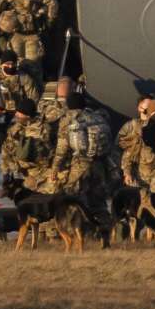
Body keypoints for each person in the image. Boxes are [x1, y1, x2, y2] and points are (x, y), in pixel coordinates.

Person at [51, 90, 115, 240]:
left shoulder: (68, 119)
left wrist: (55, 167)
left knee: (74, 200)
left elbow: (62, 147)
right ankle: (105, 235)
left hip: (80, 165)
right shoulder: (97, 118)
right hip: (99, 164)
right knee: (98, 200)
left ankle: (79, 235)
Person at [1, 98, 57, 194]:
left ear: (28, 115)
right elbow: (6, 150)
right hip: (22, 174)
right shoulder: (15, 129)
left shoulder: (43, 129)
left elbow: (48, 153)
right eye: (16, 112)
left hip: (41, 174)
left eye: (19, 113)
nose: (16, 115)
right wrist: (6, 172)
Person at [118, 95, 155, 197]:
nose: (149, 110)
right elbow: (125, 151)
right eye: (146, 108)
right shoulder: (131, 126)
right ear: (140, 108)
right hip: (136, 174)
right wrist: (126, 171)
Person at [0, 49, 42, 114]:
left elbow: (33, 99)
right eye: (7, 64)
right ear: (2, 64)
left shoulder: (24, 77)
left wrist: (23, 112)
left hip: (16, 114)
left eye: (13, 63)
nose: (10, 66)